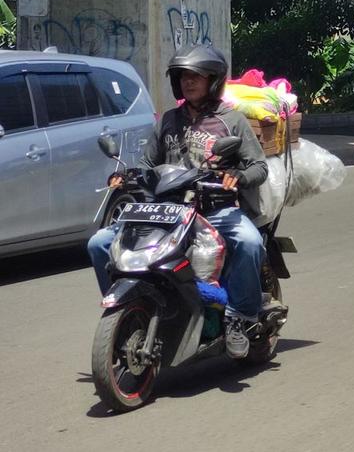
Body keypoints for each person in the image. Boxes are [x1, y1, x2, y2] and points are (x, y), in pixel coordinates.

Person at [87, 45, 268, 359]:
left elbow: (259, 167)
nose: (188, 82)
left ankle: (241, 317)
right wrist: (127, 176)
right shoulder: (169, 120)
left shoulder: (232, 121)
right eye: (183, 76)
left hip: (215, 209)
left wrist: (237, 177)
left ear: (213, 79)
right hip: (167, 210)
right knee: (100, 243)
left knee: (250, 242)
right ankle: (130, 309)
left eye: (196, 76)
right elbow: (147, 163)